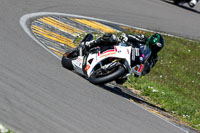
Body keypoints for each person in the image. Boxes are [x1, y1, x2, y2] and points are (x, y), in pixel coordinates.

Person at [82, 32, 165, 84]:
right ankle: (90, 44)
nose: (154, 49)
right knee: (110, 37)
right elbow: (130, 37)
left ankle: (106, 72)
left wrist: (141, 72)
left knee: (121, 81)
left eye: (156, 49)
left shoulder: (154, 57)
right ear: (150, 41)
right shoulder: (142, 38)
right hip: (123, 48)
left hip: (130, 63)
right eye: (153, 46)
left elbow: (148, 67)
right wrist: (126, 37)